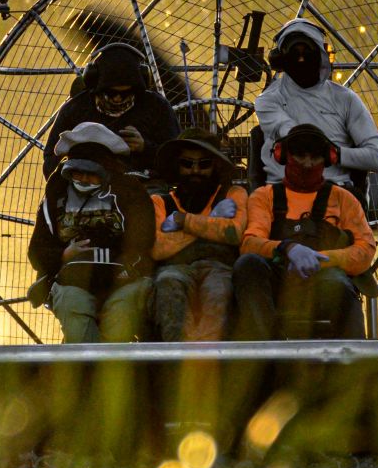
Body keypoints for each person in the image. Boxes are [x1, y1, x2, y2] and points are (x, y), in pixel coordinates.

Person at [232, 124, 376, 340]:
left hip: (325, 282)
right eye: (300, 155)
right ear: (282, 155)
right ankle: (266, 349)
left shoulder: (344, 198)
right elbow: (250, 244)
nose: (307, 164)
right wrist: (288, 249)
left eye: (315, 157)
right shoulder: (264, 196)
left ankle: (354, 357)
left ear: (328, 159)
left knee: (339, 286)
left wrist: (323, 259)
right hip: (278, 282)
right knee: (248, 265)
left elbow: (366, 250)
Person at [27, 122, 156, 343]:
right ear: (69, 171)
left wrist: (123, 261)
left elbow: (144, 240)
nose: (84, 179)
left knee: (120, 323)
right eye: (78, 173)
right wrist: (64, 255)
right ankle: (84, 360)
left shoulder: (130, 191)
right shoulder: (56, 194)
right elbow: (37, 251)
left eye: (92, 174)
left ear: (106, 172)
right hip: (71, 282)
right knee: (75, 317)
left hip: (123, 280)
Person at [253, 16, 378, 199]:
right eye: (294, 53)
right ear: (280, 60)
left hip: (335, 194)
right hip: (281, 195)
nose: (301, 58)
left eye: (307, 52)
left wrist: (336, 155)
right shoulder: (267, 100)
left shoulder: (346, 99)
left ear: (322, 56)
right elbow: (295, 135)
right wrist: (321, 149)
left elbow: (377, 158)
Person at [148, 129, 250, 341]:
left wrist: (182, 222)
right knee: (168, 283)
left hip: (220, 267)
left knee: (218, 290)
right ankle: (178, 356)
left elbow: (233, 233)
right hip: (174, 269)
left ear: (216, 166)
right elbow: (158, 248)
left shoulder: (234, 193)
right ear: (177, 165)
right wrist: (212, 220)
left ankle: (207, 356)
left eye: (204, 164)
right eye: (187, 163)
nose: (195, 170)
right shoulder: (160, 201)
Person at [42, 43, 180, 177]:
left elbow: (177, 159)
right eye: (111, 93)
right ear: (96, 85)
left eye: (125, 93)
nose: (118, 99)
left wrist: (144, 147)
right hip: (88, 183)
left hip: (141, 185)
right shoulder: (76, 108)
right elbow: (50, 160)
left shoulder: (156, 107)